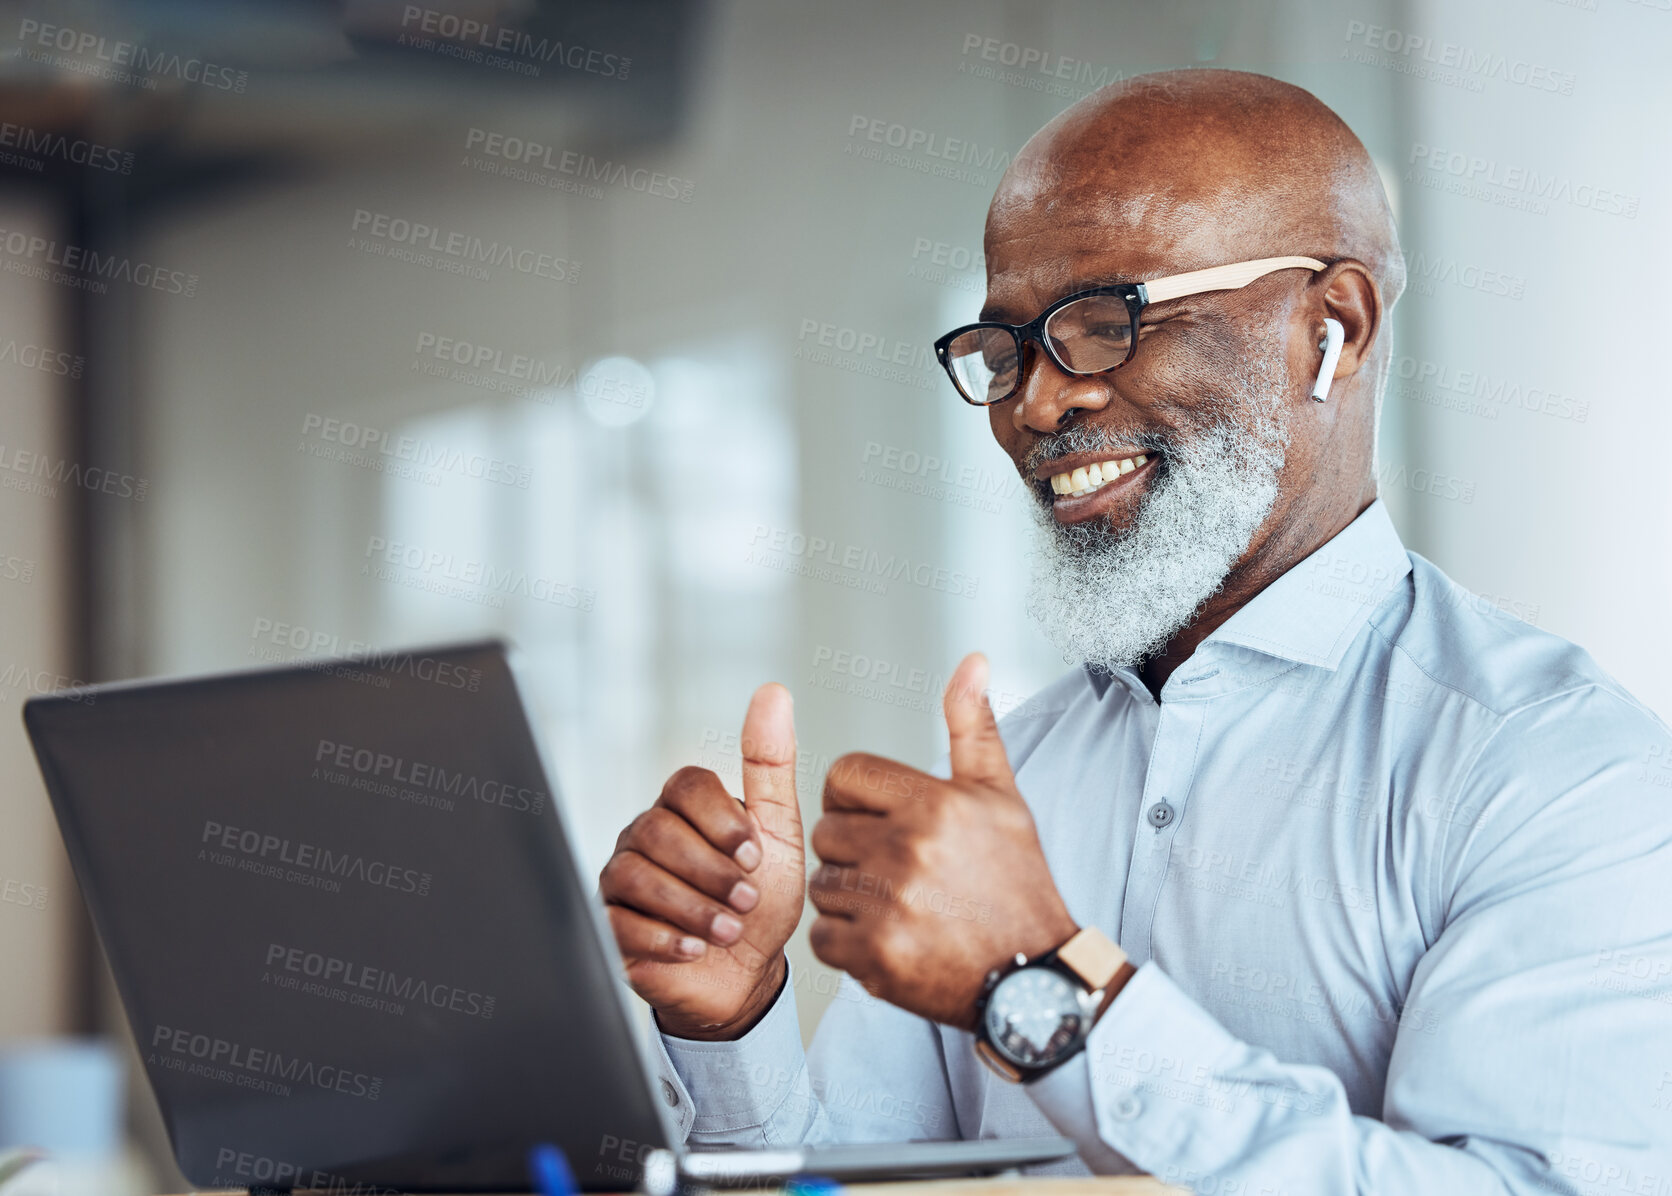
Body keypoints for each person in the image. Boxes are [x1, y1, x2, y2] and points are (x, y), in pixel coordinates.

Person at [598, 68, 1672, 1192]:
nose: (1034, 405)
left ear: (1333, 328)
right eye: (1005, 348)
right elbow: (854, 1182)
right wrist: (733, 1021)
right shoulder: (1007, 783)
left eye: (1107, 323)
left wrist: (1039, 985)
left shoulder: (1555, 771)